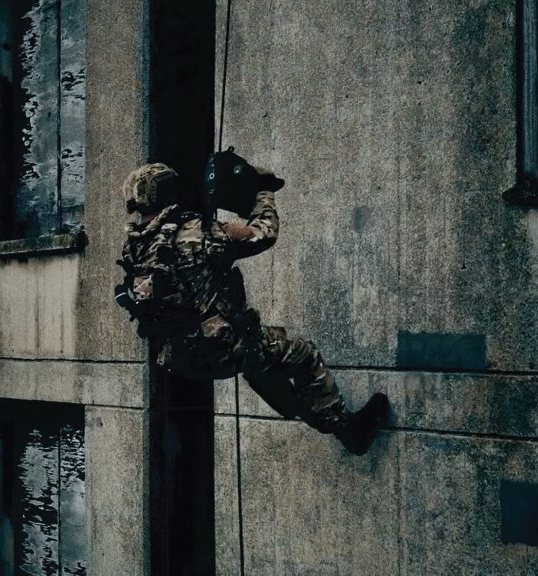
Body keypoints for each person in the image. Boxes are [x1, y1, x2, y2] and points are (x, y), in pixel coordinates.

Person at [115, 156, 389, 455]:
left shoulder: (134, 248)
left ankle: (282, 391)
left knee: (264, 362)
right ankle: (348, 429)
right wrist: (264, 190)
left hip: (180, 360)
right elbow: (263, 233)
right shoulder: (194, 233)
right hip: (225, 349)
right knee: (302, 353)